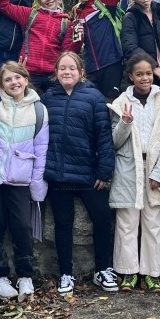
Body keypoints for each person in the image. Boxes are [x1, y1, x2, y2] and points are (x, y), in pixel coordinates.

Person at [42, 52, 115, 296]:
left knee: (102, 218)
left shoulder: (94, 97)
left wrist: (104, 171)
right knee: (63, 224)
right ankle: (66, 273)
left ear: (81, 71)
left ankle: (102, 269)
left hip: (88, 174)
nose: (67, 72)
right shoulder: (48, 98)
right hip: (58, 173)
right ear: (56, 72)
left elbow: (104, 137)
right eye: (62, 68)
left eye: (72, 68)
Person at [0, 62, 49, 302]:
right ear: (0, 84)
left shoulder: (39, 110)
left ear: (26, 80)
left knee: (22, 227)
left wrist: (37, 184)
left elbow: (41, 150)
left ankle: (25, 275)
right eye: (7, 79)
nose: (13, 83)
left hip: (20, 180)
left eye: (18, 78)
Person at [108, 54, 160, 293]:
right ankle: (128, 271)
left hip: (155, 166)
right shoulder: (120, 102)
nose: (144, 78)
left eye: (148, 73)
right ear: (131, 76)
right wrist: (125, 123)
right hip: (128, 168)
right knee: (127, 222)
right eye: (139, 74)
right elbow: (115, 142)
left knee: (152, 222)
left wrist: (159, 173)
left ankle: (151, 273)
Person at [0, 0, 81, 93]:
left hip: (52, 75)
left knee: (54, 104)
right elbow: (3, 5)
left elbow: (67, 52)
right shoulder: (30, 14)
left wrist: (78, 40)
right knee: (27, 103)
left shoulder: (66, 23)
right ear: (39, 1)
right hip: (28, 72)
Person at [72, 0, 131, 100]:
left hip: (112, 63)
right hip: (90, 68)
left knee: (112, 104)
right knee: (94, 104)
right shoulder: (76, 12)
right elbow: (76, 45)